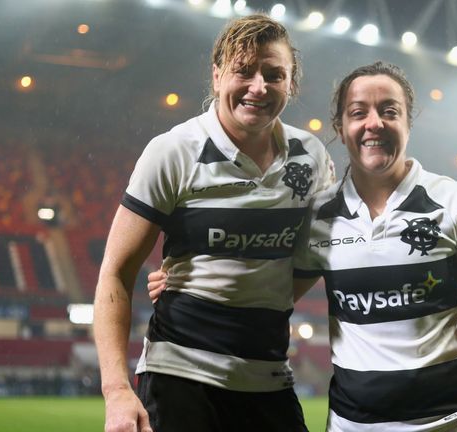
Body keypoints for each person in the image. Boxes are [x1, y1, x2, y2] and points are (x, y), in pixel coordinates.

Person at [149, 61, 457, 432]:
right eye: (358, 112)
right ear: (341, 126)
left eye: (389, 111)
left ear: (408, 122)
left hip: (454, 421)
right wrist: (191, 283)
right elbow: (269, 290)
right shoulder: (317, 216)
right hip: (354, 425)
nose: (374, 123)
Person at [93, 14, 333, 432]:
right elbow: (115, 273)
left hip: (268, 377)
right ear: (218, 74)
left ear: (290, 84)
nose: (259, 86)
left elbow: (315, 256)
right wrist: (116, 391)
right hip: (180, 378)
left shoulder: (311, 157)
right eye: (245, 70)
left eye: (274, 75)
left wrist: (247, 287)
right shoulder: (173, 151)